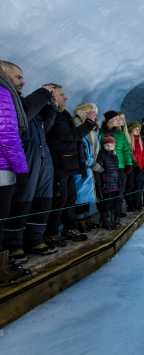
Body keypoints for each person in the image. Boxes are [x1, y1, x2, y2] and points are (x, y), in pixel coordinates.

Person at [1, 60, 60, 260]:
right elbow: (15, 125)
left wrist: (50, 107)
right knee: (21, 201)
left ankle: (35, 238)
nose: (23, 81)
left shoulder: (20, 102)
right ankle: (13, 244)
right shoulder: (12, 101)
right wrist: (43, 94)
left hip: (40, 158)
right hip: (22, 160)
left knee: (42, 199)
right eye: (18, 76)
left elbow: (44, 127)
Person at [45, 89, 96, 246]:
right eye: (62, 95)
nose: (66, 97)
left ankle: (69, 227)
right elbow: (69, 136)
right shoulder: (52, 113)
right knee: (60, 200)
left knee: (69, 199)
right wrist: (88, 123)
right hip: (59, 164)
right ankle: (52, 233)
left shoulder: (63, 114)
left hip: (68, 165)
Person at [0, 63, 31, 285]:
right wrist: (21, 170)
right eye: (18, 76)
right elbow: (8, 135)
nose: (22, 81)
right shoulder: (2, 93)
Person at [100, 111, 133, 216]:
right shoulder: (101, 133)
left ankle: (116, 215)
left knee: (120, 192)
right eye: (115, 119)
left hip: (120, 167)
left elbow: (126, 150)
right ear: (109, 121)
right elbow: (98, 150)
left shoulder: (120, 134)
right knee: (107, 194)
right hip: (107, 168)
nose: (118, 121)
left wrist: (129, 163)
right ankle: (106, 216)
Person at [72, 103, 100, 233]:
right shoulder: (77, 126)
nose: (94, 115)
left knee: (86, 195)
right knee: (80, 196)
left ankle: (86, 219)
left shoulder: (91, 129)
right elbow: (81, 149)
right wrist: (92, 163)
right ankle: (80, 222)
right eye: (91, 112)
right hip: (80, 167)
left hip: (87, 167)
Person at [95, 136, 121, 229]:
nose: (109, 146)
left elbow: (117, 170)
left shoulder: (115, 155)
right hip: (106, 185)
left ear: (114, 145)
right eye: (107, 144)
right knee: (106, 205)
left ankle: (115, 222)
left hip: (115, 184)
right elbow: (97, 169)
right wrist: (99, 184)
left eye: (111, 144)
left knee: (115, 204)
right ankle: (106, 222)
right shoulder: (101, 155)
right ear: (104, 146)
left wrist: (119, 182)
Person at [126, 121, 144, 211]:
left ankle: (138, 204)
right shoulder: (129, 140)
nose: (138, 131)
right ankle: (131, 205)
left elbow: (143, 154)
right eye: (136, 129)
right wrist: (134, 164)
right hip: (132, 167)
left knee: (139, 186)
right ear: (131, 130)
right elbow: (128, 154)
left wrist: (143, 165)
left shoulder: (140, 140)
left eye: (139, 129)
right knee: (131, 186)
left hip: (140, 168)